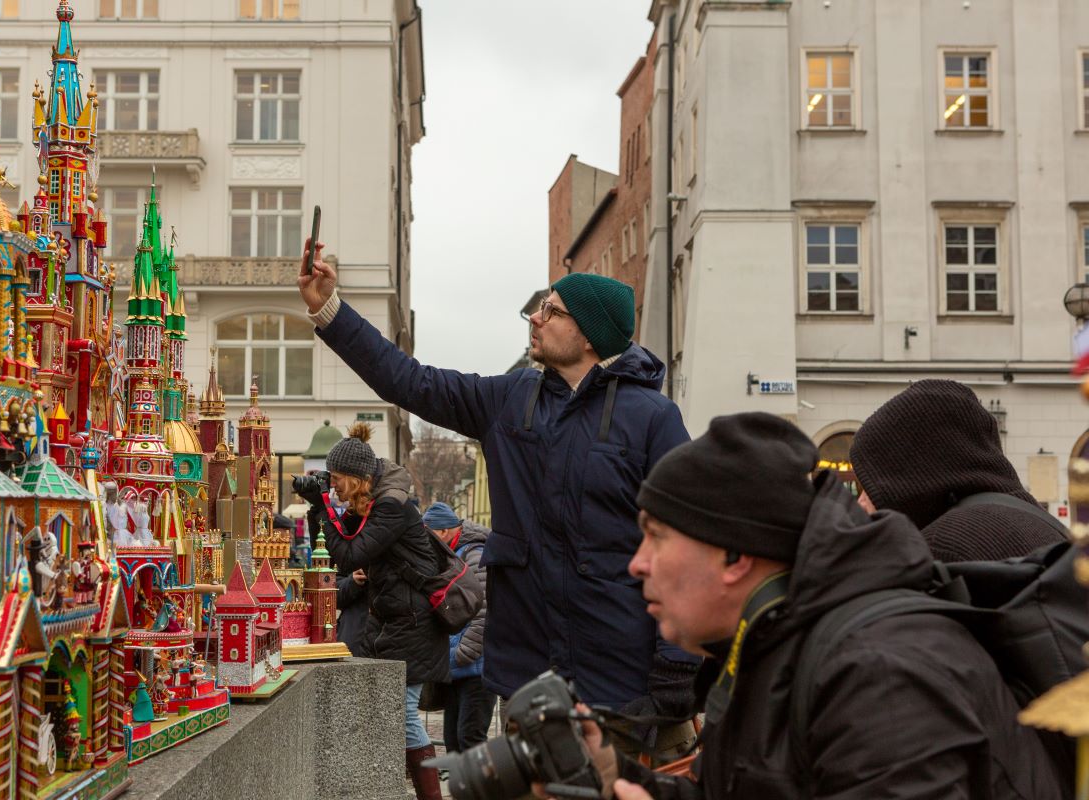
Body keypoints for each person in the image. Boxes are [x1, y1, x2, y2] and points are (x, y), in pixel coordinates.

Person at [563, 412, 1061, 800]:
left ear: (734, 555)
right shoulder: (771, 646)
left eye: (655, 536)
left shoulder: (880, 672)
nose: (637, 564)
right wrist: (611, 772)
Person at [298, 242, 695, 720]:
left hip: (619, 681)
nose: (535, 317)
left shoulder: (652, 418)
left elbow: (685, 543)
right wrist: (329, 310)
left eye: (551, 310)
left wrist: (678, 664)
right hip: (528, 675)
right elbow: (409, 381)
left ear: (589, 334)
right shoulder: (510, 400)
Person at [300, 423, 448, 800]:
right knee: (388, 712)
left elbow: (348, 554)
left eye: (335, 479)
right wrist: (320, 507)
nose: (332, 486)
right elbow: (340, 538)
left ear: (356, 477)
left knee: (403, 715)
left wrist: (322, 506)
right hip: (392, 623)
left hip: (414, 626)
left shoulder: (391, 507)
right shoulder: (371, 504)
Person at [849, 379, 1067, 562]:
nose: (860, 502)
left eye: (870, 484)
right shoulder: (1045, 525)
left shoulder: (944, 544)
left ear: (912, 474)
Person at [422, 501, 495, 753]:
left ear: (443, 532)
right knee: (453, 740)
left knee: (470, 739)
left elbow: (484, 612)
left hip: (475, 667)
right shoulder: (453, 554)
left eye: (428, 534)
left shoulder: (473, 555)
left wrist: (461, 653)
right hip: (456, 665)